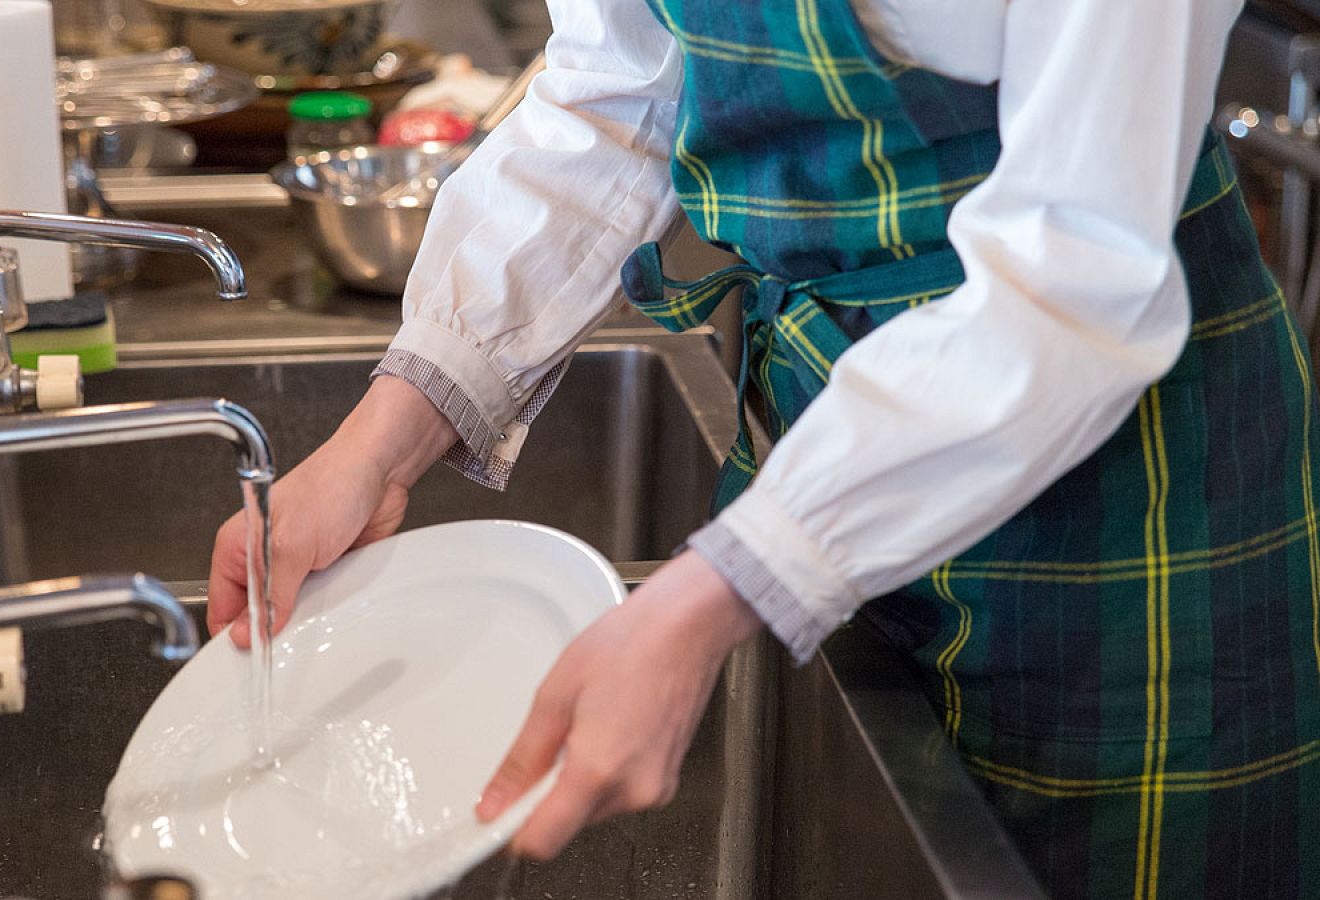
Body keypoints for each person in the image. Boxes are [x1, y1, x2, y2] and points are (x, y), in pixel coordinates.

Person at [208, 0, 1320, 896]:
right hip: (821, 433)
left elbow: (1073, 273)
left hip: (1126, 503)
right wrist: (378, 443)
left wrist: (716, 594)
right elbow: (617, 91)